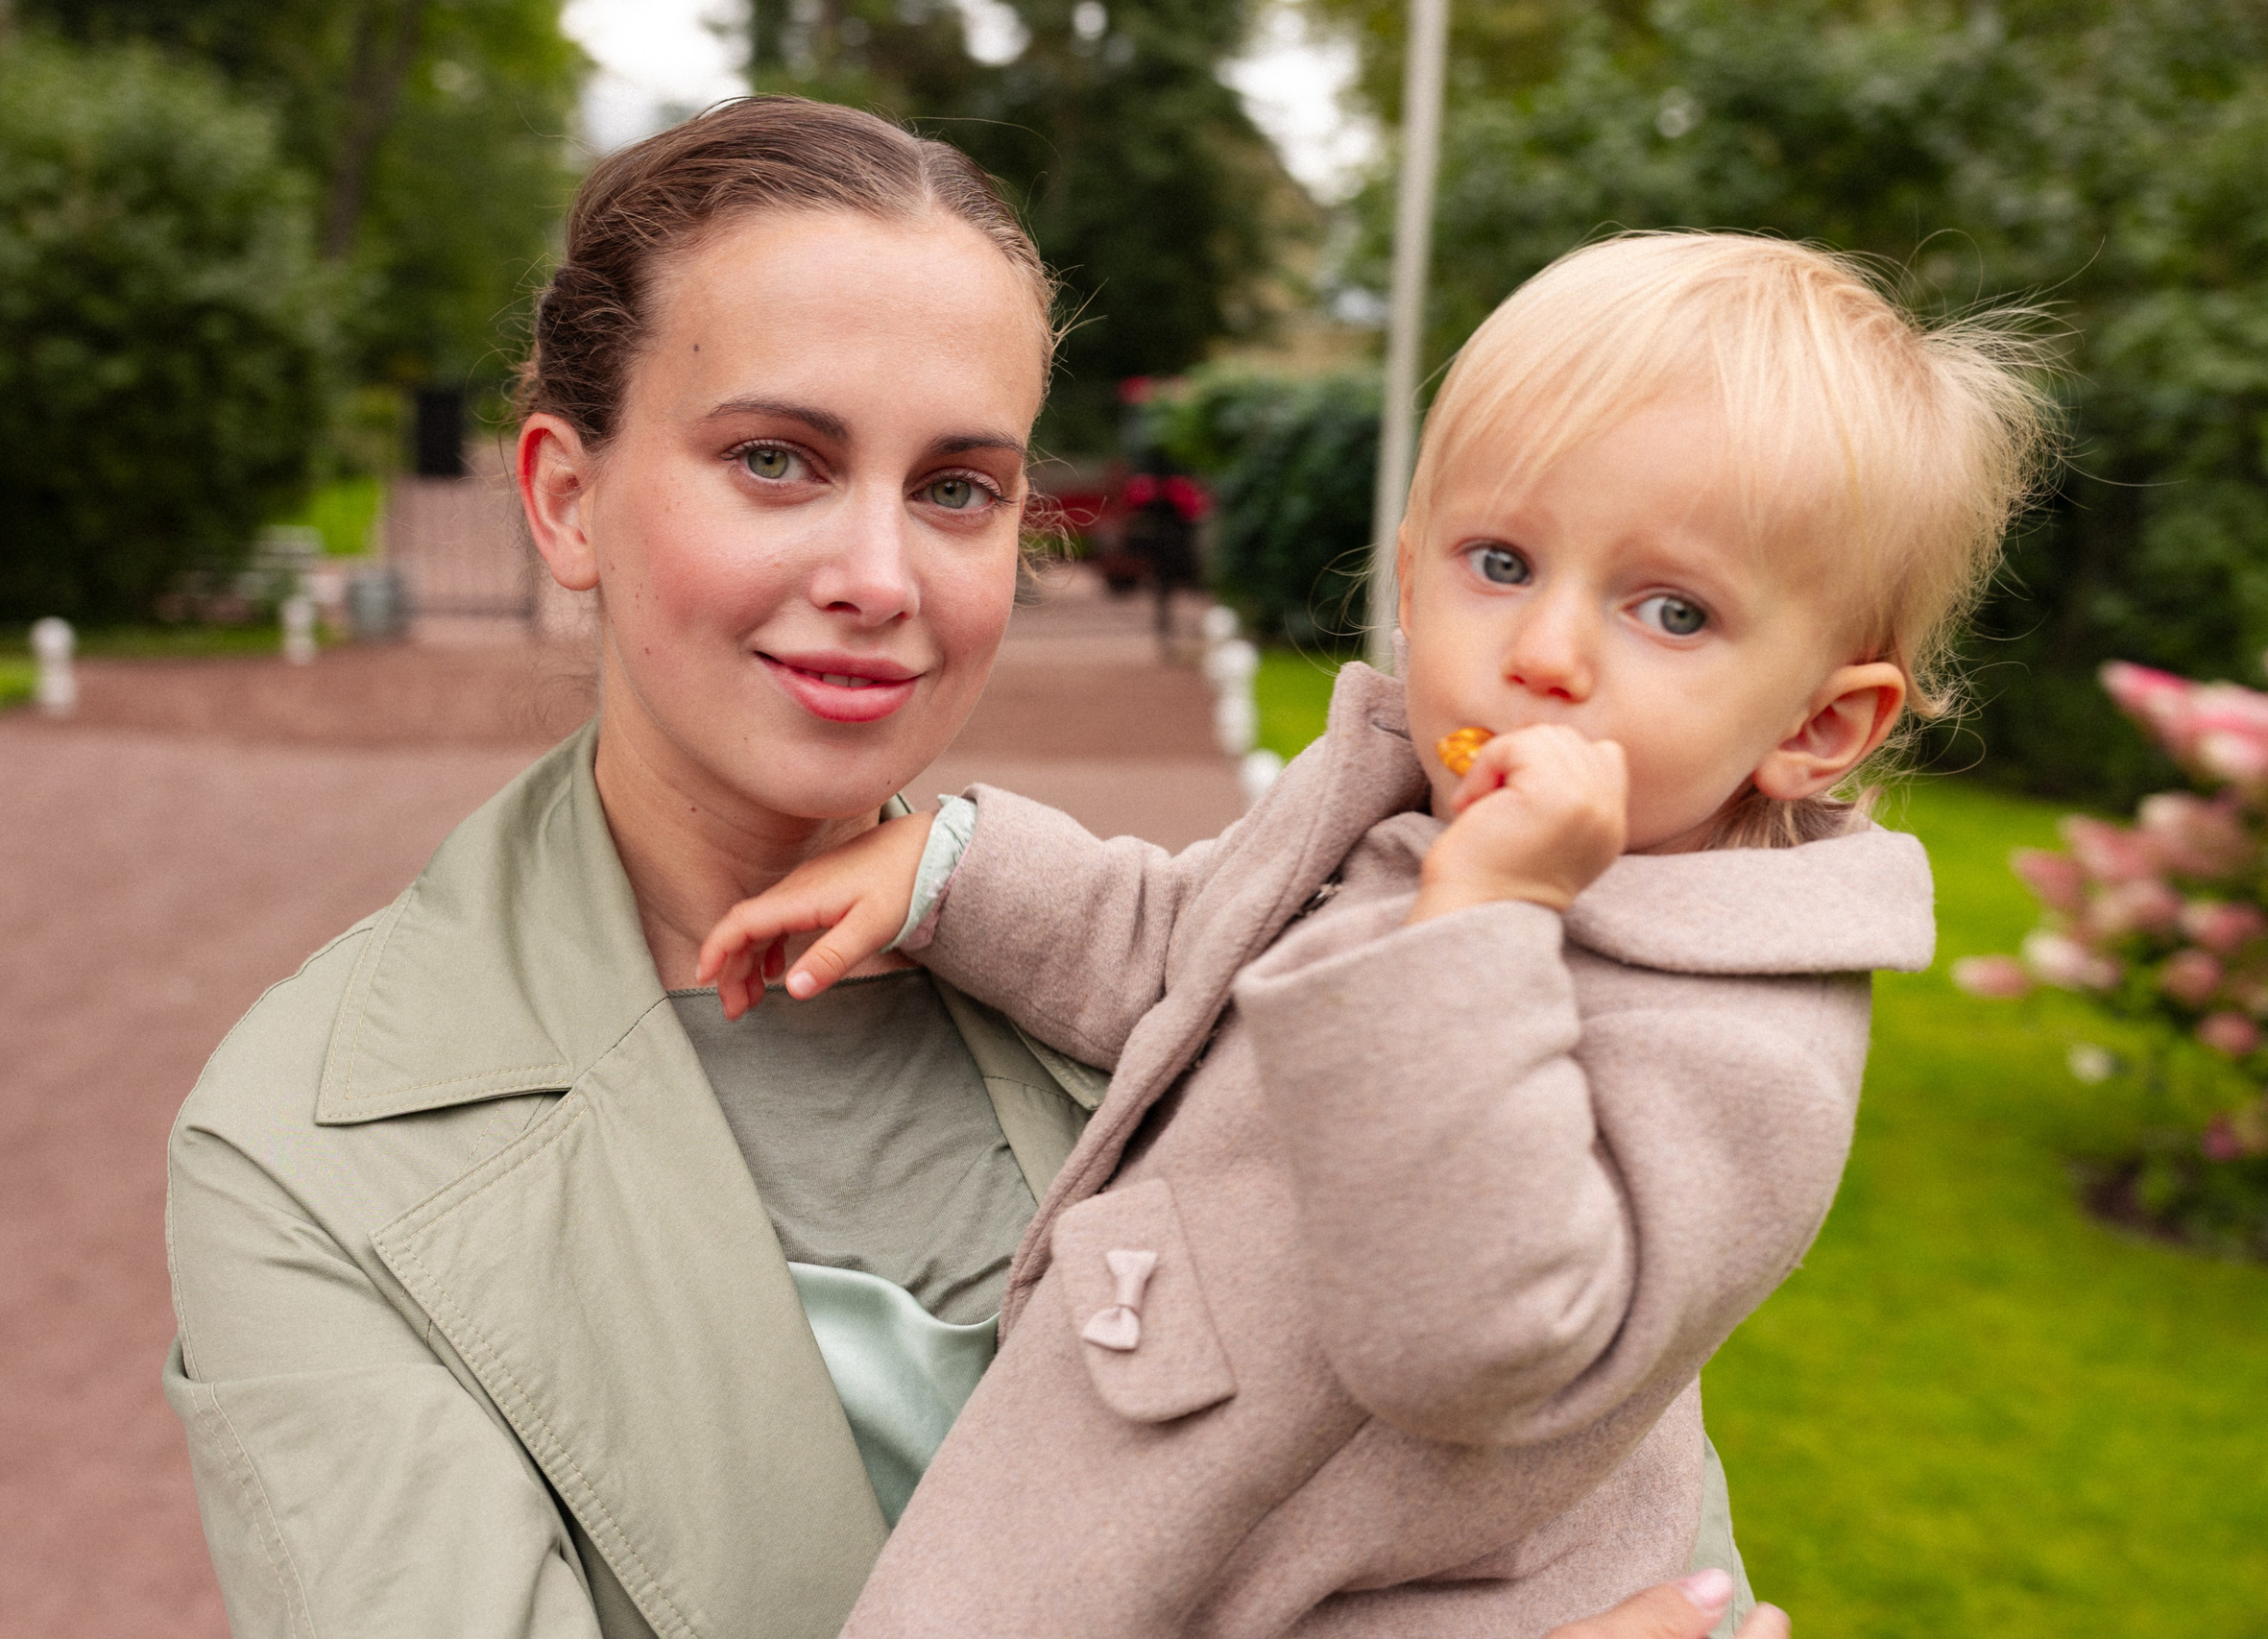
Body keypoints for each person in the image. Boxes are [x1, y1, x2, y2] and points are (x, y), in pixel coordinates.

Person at [162, 93, 1772, 1639]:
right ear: (566, 500)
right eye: (776, 460)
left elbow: (1606, 1528)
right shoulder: (307, 1153)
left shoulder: (1330, 950)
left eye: (956, 490)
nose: (878, 577)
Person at [700, 233, 2057, 1637]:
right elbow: (1189, 954)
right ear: (1410, 581)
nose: (1546, 652)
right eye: (1503, 560)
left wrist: (1481, 928)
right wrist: (958, 872)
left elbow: (1472, 1343)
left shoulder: (1745, 1036)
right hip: (1150, 1476)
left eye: (1671, 611)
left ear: (1815, 727)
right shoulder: (1397, 801)